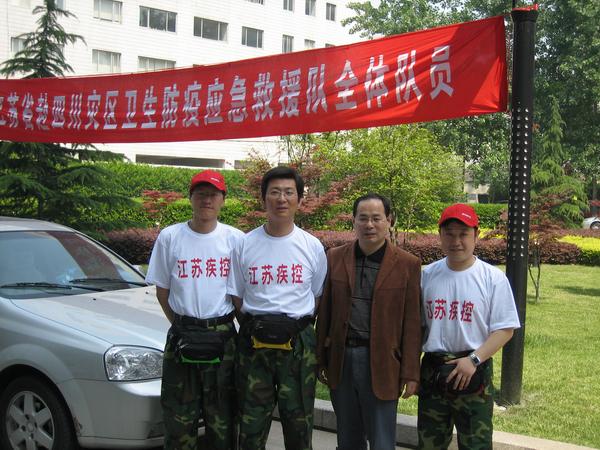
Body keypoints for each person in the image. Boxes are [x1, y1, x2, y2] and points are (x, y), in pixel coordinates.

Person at [227, 166, 327, 450]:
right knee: (250, 425)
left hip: (298, 347)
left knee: (299, 425)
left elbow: (317, 296)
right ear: (263, 199)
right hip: (253, 345)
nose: (281, 199)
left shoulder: (312, 246)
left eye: (288, 192)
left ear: (299, 200)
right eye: (274, 192)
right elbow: (237, 296)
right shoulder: (244, 245)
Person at [145, 170, 244, 450]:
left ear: (223, 200)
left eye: (213, 195)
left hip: (222, 338)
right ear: (190, 198)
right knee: (179, 420)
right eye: (200, 194)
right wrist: (181, 325)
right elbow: (162, 291)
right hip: (182, 337)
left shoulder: (236, 240)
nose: (206, 200)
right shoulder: (170, 237)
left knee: (223, 419)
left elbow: (240, 294)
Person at [316, 193, 422, 450]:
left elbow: (412, 323)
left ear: (389, 221)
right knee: (347, 438)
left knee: (382, 440)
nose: (369, 225)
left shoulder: (407, 265)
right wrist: (320, 358)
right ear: (353, 221)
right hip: (342, 359)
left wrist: (410, 372)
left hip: (384, 362)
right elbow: (325, 312)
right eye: (363, 218)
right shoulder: (334, 257)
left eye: (376, 218)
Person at [418, 203, 521, 449]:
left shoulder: (492, 278)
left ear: (476, 235)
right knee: (429, 443)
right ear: (440, 235)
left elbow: (505, 329)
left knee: (476, 444)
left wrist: (473, 360)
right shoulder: (427, 275)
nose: (456, 241)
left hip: (473, 371)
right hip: (434, 371)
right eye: (449, 234)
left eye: (463, 234)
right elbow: (418, 327)